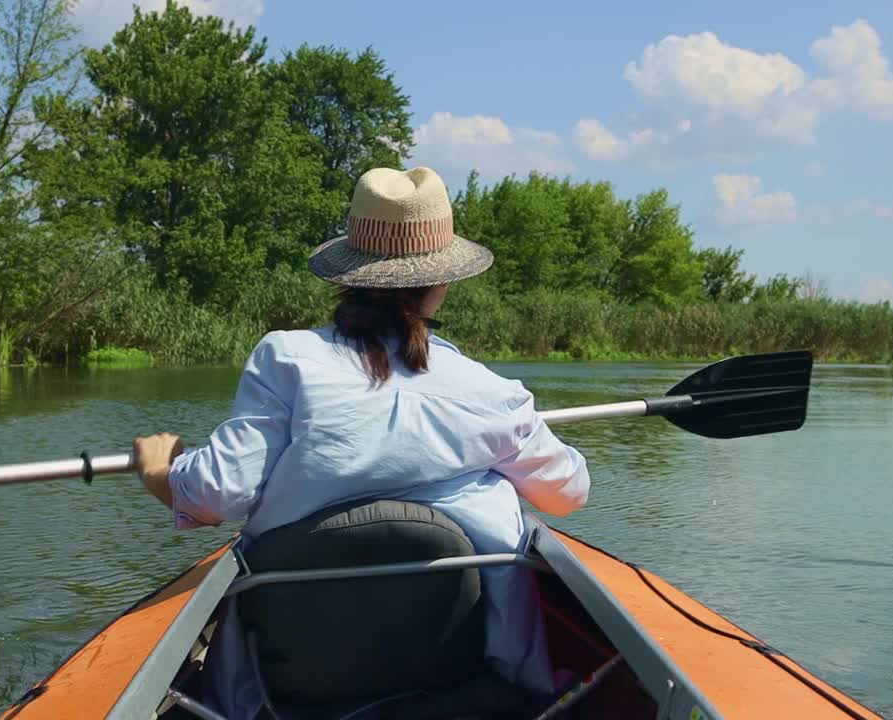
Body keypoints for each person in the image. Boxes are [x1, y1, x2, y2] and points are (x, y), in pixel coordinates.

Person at [132, 166, 590, 718]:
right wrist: (491, 465)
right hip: (457, 674)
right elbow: (567, 494)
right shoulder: (491, 392)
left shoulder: (285, 359)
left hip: (292, 682)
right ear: (442, 283)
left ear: (348, 274)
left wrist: (162, 469)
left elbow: (213, 496)